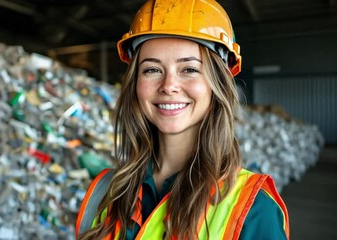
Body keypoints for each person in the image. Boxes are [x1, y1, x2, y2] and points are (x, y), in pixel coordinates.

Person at [76, 0, 290, 239]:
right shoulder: (105, 192)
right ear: (135, 84)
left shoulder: (253, 209)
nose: (168, 86)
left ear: (216, 83)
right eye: (152, 70)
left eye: (189, 69)